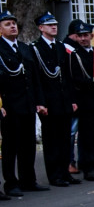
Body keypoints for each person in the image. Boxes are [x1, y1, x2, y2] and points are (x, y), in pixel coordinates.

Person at [0, 10, 48, 197]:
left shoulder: (24, 48)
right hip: (10, 105)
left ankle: (28, 179)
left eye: (14, 23)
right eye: (7, 24)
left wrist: (40, 102)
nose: (13, 26)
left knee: (28, 145)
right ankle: (11, 183)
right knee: (11, 146)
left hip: (28, 104)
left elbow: (34, 78)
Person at [30, 13, 79, 187]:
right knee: (52, 140)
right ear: (41, 28)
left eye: (55, 24)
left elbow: (67, 76)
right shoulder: (35, 48)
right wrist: (40, 102)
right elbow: (36, 79)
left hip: (64, 100)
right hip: (49, 101)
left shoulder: (60, 47)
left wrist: (72, 99)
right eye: (49, 25)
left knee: (66, 139)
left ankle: (65, 172)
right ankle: (54, 175)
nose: (54, 27)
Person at [64, 19, 94, 181]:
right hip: (85, 100)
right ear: (76, 37)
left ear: (91, 36)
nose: (83, 38)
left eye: (86, 35)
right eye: (80, 35)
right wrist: (93, 83)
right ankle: (88, 167)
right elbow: (75, 78)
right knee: (87, 136)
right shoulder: (75, 55)